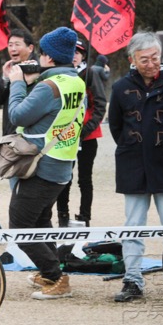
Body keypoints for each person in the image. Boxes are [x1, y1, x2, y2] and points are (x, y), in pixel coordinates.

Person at [109, 32, 163, 302]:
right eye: (144, 59)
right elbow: (116, 126)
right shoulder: (121, 88)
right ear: (133, 59)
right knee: (133, 225)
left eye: (155, 58)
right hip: (132, 164)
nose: (151, 63)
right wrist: (133, 146)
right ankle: (132, 281)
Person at [7, 27, 85, 300]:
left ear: (49, 57)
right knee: (40, 220)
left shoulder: (48, 86)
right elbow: (52, 115)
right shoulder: (75, 81)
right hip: (62, 163)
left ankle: (55, 276)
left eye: (41, 52)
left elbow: (18, 115)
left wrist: (17, 82)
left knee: (19, 226)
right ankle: (50, 270)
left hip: (41, 165)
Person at [56, 40, 106, 227]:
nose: (74, 55)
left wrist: (86, 128)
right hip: (64, 136)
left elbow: (100, 104)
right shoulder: (60, 74)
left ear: (83, 56)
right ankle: (62, 214)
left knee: (85, 178)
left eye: (78, 52)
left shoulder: (90, 74)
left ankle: (85, 216)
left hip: (87, 135)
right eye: (71, 52)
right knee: (63, 176)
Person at [0, 29, 37, 135]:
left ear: (30, 48)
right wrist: (5, 78)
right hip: (10, 135)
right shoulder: (10, 68)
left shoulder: (38, 70)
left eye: (17, 44)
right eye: (10, 45)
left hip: (30, 136)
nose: (13, 49)